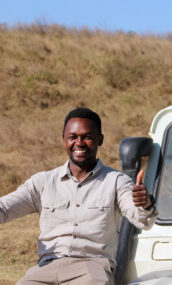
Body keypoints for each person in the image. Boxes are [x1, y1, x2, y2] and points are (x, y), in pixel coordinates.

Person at [0, 107, 158, 284]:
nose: (79, 143)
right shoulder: (43, 182)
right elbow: (5, 209)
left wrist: (145, 204)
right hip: (46, 267)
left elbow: (143, 220)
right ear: (64, 140)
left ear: (100, 140)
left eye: (87, 137)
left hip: (92, 267)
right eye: (73, 137)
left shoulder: (117, 181)